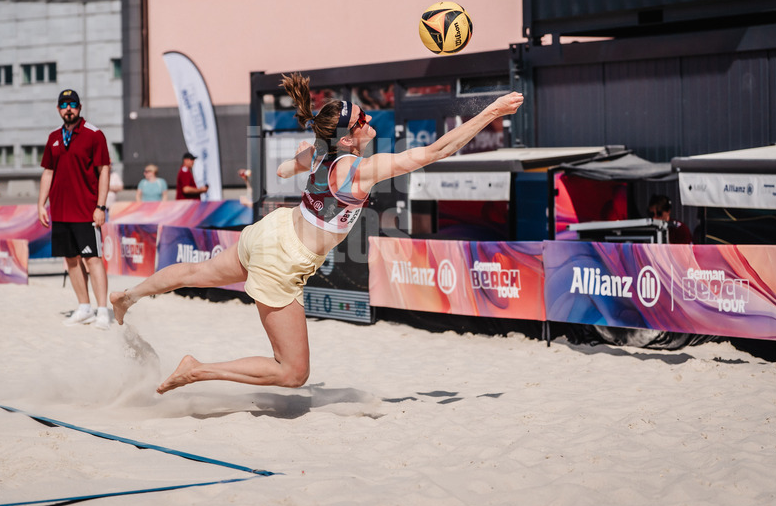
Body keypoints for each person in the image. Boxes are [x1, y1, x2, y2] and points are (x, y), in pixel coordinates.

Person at [109, 72, 523, 395]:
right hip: (282, 260)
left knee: (192, 274)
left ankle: (127, 296)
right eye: (362, 119)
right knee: (292, 372)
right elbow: (435, 152)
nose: (369, 119)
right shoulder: (355, 170)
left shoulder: (322, 150)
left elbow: (284, 169)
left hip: (271, 232)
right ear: (347, 136)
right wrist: (491, 112)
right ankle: (196, 369)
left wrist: (296, 164)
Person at [38, 89, 113, 329]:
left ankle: (102, 311)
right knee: (71, 260)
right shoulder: (53, 138)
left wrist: (101, 206)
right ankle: (84, 308)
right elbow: (48, 172)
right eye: (63, 105)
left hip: (86, 210)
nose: (68, 108)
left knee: (93, 259)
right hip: (60, 211)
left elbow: (104, 171)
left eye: (72, 104)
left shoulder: (94, 134)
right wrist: (41, 204)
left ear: (79, 108)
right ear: (58, 109)